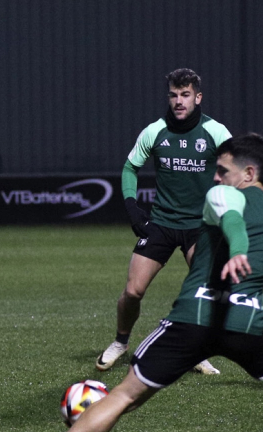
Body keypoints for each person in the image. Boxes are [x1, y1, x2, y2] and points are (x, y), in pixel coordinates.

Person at [14, 134, 263, 432]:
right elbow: (240, 225)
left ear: (249, 174)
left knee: (124, 395)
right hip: (245, 322)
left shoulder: (222, 195)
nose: (216, 178)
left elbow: (234, 219)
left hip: (192, 318)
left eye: (223, 170)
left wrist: (237, 248)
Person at [97, 68, 232, 375]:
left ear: (198, 97)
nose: (178, 101)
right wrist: (132, 208)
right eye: (173, 94)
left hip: (200, 226)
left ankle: (196, 350)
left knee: (205, 290)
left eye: (185, 95)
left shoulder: (217, 133)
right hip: (161, 222)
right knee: (133, 291)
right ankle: (121, 342)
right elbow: (130, 168)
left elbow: (235, 171)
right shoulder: (154, 131)